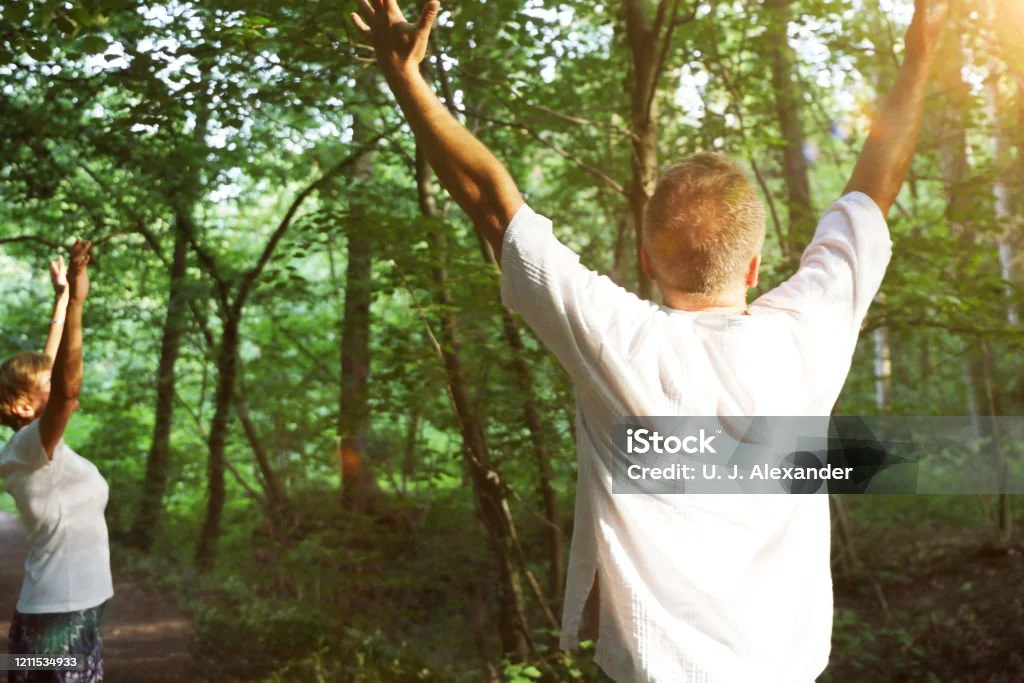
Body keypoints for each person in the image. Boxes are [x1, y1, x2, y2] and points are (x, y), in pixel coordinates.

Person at [353, 0, 949, 680]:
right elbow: (875, 185)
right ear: (753, 265)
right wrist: (919, 55)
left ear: (646, 258)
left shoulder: (621, 342)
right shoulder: (806, 335)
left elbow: (493, 203)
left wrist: (407, 80)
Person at [0, 240, 112, 683]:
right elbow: (65, 388)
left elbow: (51, 372)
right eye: (48, 382)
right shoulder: (30, 450)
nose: (61, 379)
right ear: (26, 408)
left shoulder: (37, 446)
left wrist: (64, 298)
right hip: (57, 619)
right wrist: (80, 307)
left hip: (71, 609)